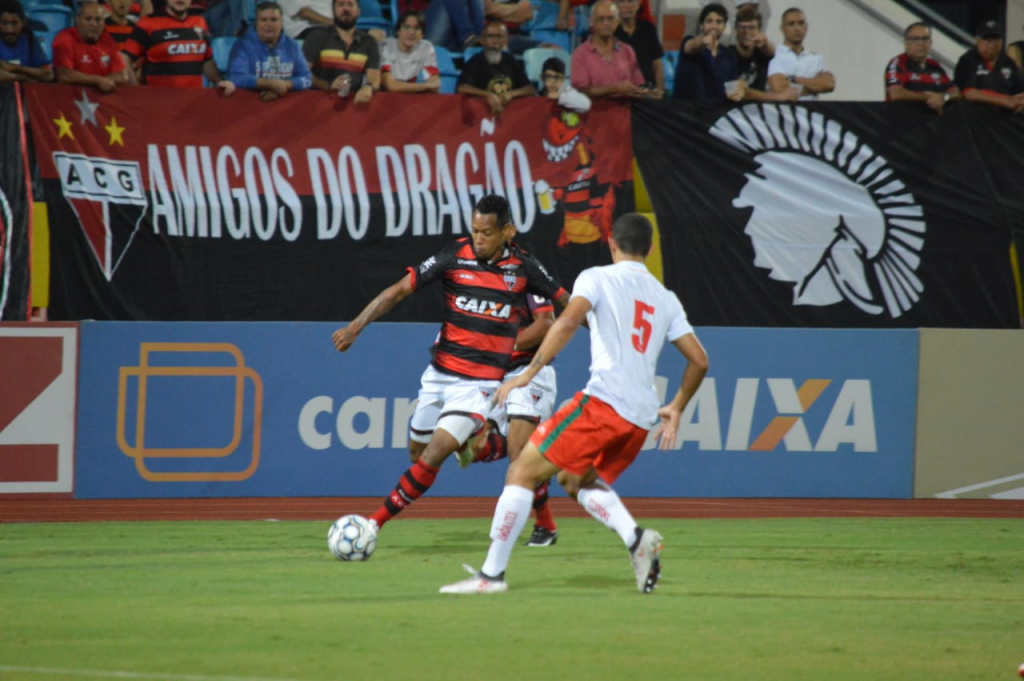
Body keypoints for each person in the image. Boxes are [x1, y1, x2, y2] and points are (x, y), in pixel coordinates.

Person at [439, 212, 709, 595]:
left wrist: (527, 374)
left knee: (521, 472)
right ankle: (636, 539)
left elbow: (565, 323)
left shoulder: (596, 277)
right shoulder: (666, 299)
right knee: (572, 478)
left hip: (604, 404)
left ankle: (490, 576)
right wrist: (677, 406)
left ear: (611, 243)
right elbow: (699, 361)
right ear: (649, 249)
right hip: (640, 418)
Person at [331, 194, 569, 535]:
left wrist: (609, 332)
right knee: (417, 453)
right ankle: (500, 446)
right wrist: (355, 327)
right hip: (440, 375)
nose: (479, 239)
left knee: (437, 453)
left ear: (507, 232)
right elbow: (399, 291)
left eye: (486, 232)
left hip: (481, 383)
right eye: (475, 231)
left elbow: (566, 308)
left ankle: (372, 525)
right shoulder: (455, 255)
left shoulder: (524, 268)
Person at [218, 1, 311, 100]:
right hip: (251, 103)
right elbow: (236, 78)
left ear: (281, 23)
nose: (268, 24)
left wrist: (286, 85)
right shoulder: (243, 46)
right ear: (256, 23)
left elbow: (307, 80)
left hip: (285, 102)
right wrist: (270, 84)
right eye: (264, 20)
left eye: (274, 20)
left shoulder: (292, 46)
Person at [124, 0, 222, 87]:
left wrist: (219, 82)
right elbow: (124, 58)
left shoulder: (200, 22)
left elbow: (206, 60)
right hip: (159, 100)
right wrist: (136, 90)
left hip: (193, 98)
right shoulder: (148, 23)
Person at [302, 0, 380, 102]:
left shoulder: (369, 42)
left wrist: (368, 87)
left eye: (350, 4)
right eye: (341, 4)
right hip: (318, 102)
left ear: (358, 11)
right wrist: (328, 86)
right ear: (333, 10)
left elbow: (374, 77)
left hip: (352, 105)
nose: (346, 8)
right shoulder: (317, 36)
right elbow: (303, 73)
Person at [569, 0, 647, 100]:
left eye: (610, 19)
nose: (606, 23)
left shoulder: (627, 51)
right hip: (594, 109)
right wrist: (614, 89)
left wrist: (644, 92)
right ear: (591, 22)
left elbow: (638, 84)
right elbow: (580, 91)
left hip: (626, 108)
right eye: (601, 19)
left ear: (617, 22)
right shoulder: (580, 54)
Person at [456, 21, 535, 114]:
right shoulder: (475, 61)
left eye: (499, 36)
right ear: (482, 40)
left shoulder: (511, 61)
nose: (495, 41)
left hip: (510, 114)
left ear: (506, 40)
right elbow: (462, 88)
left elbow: (530, 89)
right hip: (481, 112)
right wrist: (487, 95)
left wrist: (512, 94)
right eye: (490, 36)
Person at [52, 0, 132, 92]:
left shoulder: (107, 39)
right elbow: (64, 75)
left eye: (98, 20)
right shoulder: (65, 38)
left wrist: (103, 82)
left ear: (104, 23)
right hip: (70, 96)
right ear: (77, 20)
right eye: (88, 19)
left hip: (100, 97)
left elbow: (122, 76)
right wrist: (98, 81)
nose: (94, 24)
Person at [885, 22, 959, 113]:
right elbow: (896, 94)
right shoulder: (898, 63)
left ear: (930, 43)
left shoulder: (935, 66)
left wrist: (944, 97)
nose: (920, 44)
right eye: (915, 39)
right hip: (902, 119)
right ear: (906, 42)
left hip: (931, 120)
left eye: (925, 39)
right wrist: (929, 98)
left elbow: (956, 93)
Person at [954, 19, 1024, 114]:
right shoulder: (968, 60)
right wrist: (1004, 100)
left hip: (1005, 116)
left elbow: (1019, 89)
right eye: (987, 39)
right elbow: (969, 93)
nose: (992, 44)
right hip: (975, 116)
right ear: (978, 41)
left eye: (996, 39)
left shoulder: (1008, 62)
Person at [766, 7, 834, 101]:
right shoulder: (774, 55)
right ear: (782, 29)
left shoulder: (816, 58)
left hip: (811, 109)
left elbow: (829, 84)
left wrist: (794, 79)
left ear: (806, 28)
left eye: (801, 23)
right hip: (783, 109)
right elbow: (779, 87)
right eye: (791, 24)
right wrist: (815, 85)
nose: (797, 28)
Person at [672, 2, 736, 100]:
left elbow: (733, 88)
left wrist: (738, 91)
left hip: (717, 108)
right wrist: (703, 41)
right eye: (709, 21)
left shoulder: (729, 55)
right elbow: (691, 46)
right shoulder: (689, 43)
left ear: (724, 26)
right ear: (701, 25)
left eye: (719, 22)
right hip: (687, 108)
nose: (714, 26)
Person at [731, 4, 793, 102]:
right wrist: (778, 97)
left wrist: (765, 43)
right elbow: (737, 91)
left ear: (759, 31)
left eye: (752, 27)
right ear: (736, 30)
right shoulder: (727, 55)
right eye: (743, 27)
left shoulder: (761, 54)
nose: (747, 32)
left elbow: (771, 52)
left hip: (758, 109)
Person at [379, 9, 439, 93]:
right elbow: (390, 86)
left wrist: (427, 86)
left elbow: (435, 84)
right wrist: (425, 86)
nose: (411, 32)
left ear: (422, 34)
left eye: (416, 28)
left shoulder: (426, 47)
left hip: (407, 96)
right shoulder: (386, 46)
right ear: (398, 31)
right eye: (407, 27)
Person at [613, 0, 662, 96]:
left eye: (631, 1)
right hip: (621, 93)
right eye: (622, 1)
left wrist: (660, 91)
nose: (627, 6)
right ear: (615, 4)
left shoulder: (648, 28)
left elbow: (657, 64)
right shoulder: (611, 32)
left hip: (648, 91)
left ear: (639, 4)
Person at [0, 0, 52, 83]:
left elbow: (48, 75)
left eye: (14, 23)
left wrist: (14, 68)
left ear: (23, 22)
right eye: (4, 23)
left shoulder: (29, 39)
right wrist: (22, 78)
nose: (9, 29)